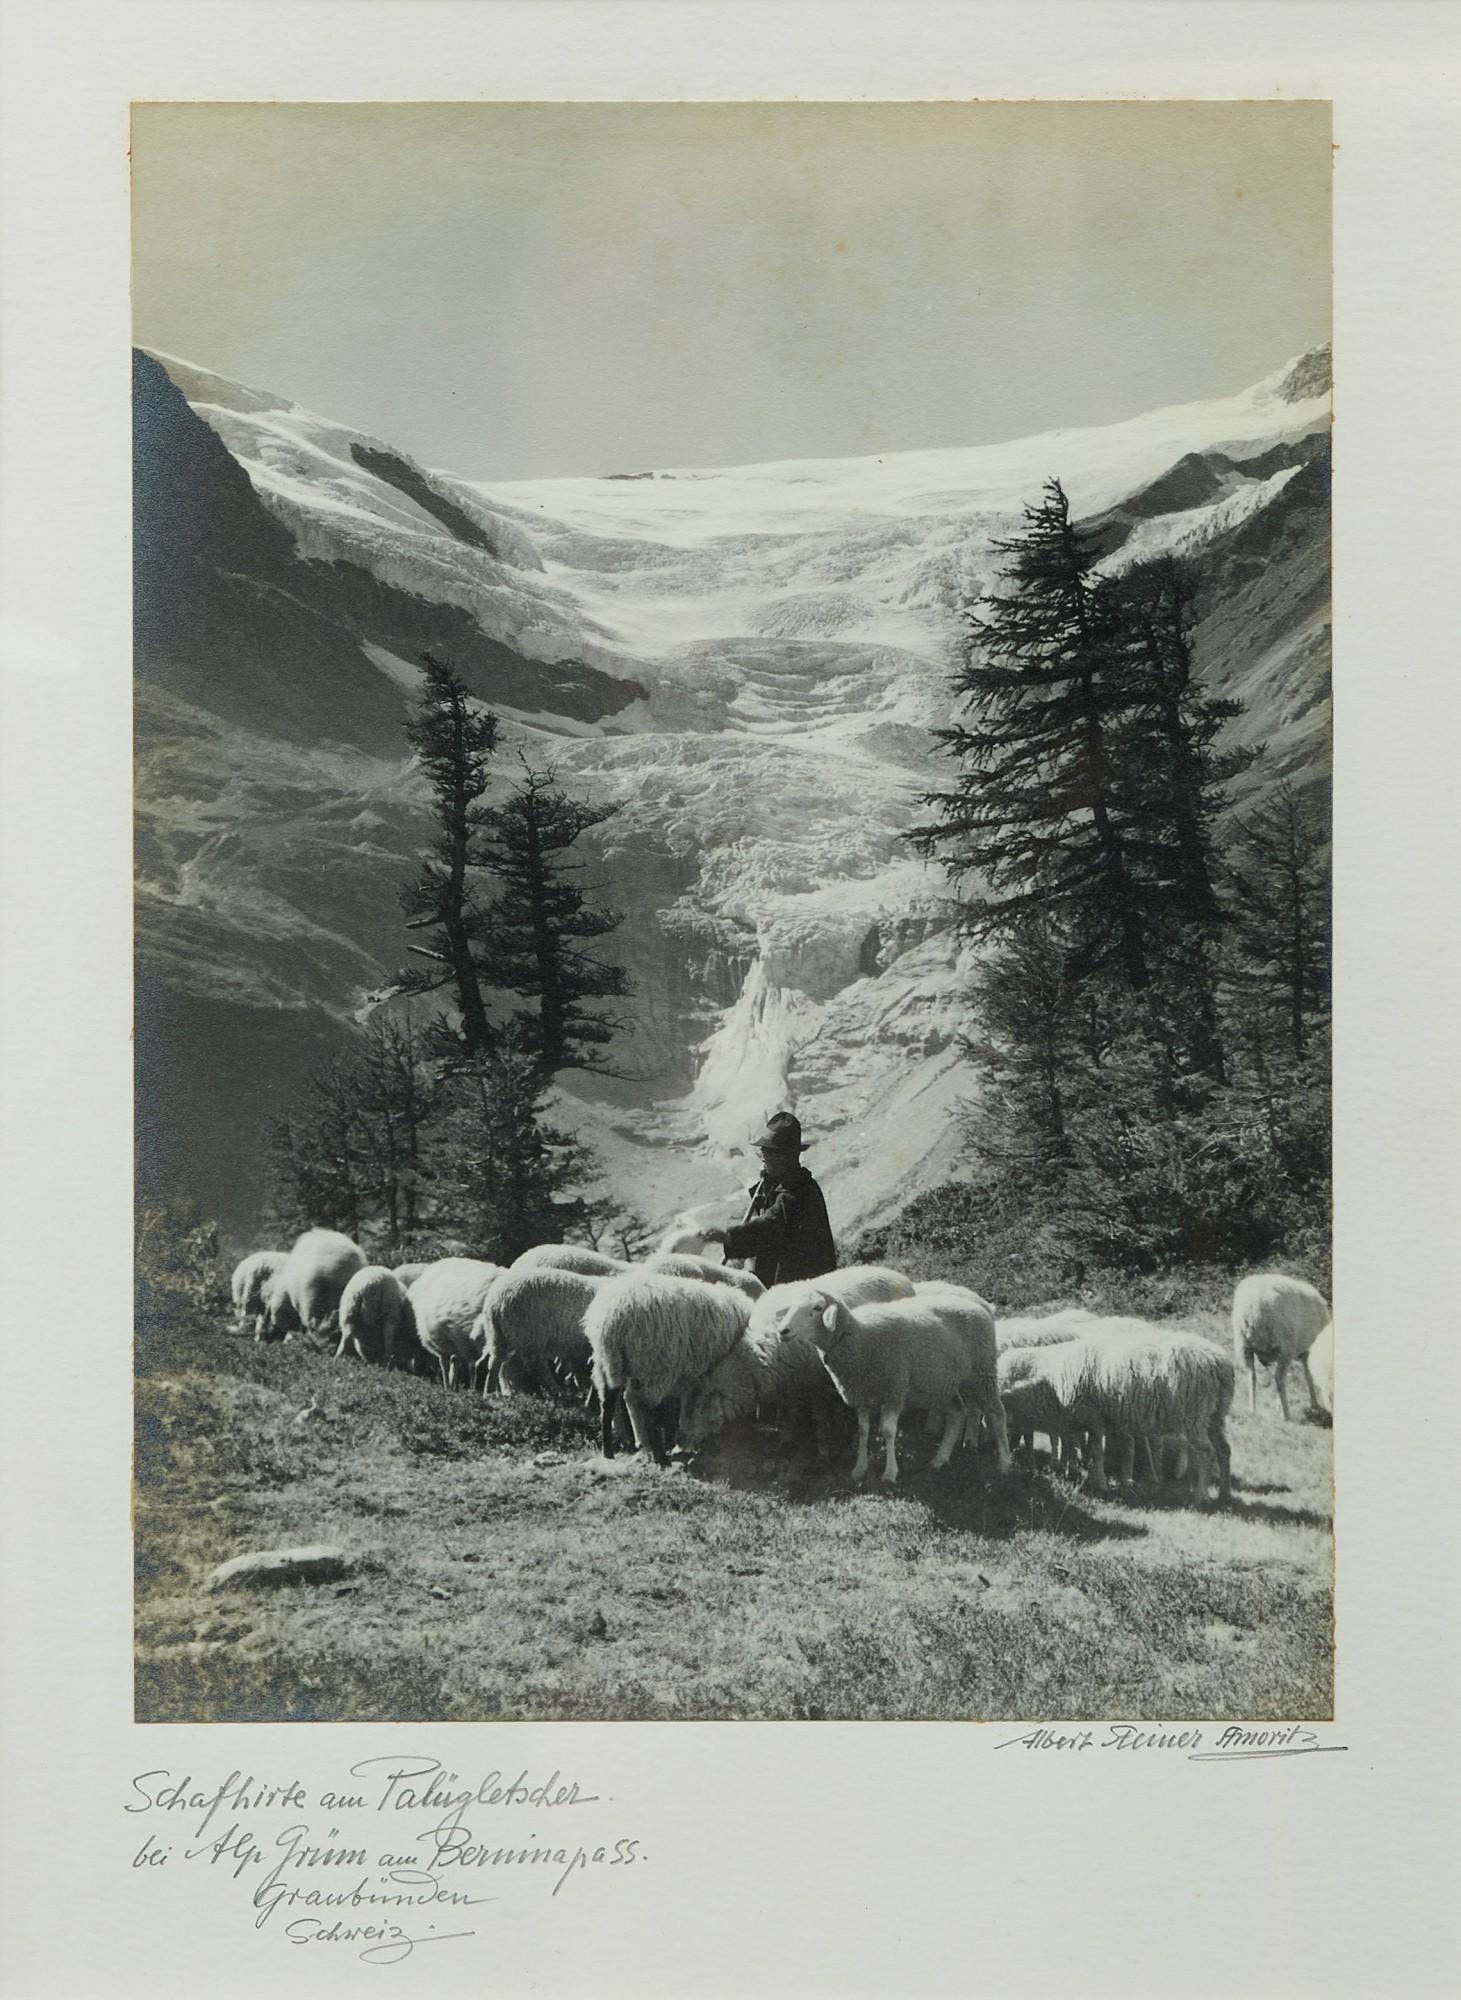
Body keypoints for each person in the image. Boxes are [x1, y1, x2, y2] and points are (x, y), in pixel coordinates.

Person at [701, 1111, 837, 1288]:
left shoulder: (798, 1192)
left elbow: (770, 1226)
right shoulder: (782, 1185)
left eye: (765, 1151)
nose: (762, 1157)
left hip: (802, 1289)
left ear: (782, 1156)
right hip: (789, 1284)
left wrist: (727, 1236)